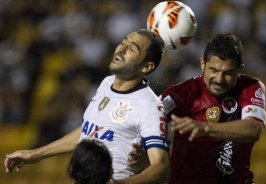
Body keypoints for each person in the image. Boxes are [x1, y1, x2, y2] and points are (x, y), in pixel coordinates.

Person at [4, 29, 170, 184]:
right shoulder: (107, 83)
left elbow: (162, 167)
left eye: (132, 49)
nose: (121, 49)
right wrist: (35, 154)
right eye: (123, 41)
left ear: (146, 67)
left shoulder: (149, 106)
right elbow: (89, 131)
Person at [160, 33, 266, 184]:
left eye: (228, 73)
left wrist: (206, 128)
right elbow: (147, 124)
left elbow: (254, 129)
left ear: (240, 70)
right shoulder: (178, 95)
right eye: (214, 70)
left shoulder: (250, 87)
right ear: (202, 64)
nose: (219, 80)